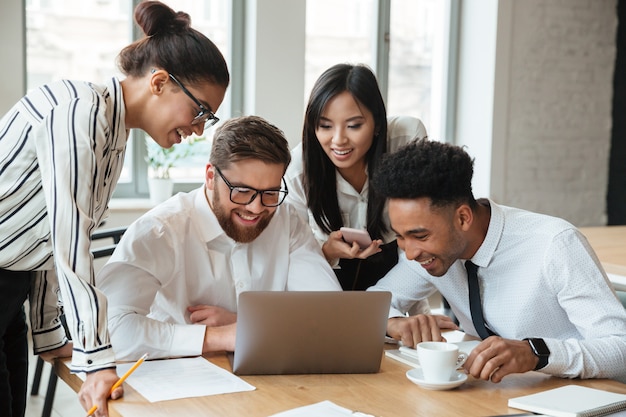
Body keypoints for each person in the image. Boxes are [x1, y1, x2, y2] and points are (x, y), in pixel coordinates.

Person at [0, 1, 229, 416]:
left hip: (11, 287)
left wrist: (52, 333)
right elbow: (68, 240)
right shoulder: (81, 111)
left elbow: (48, 239)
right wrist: (96, 358)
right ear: (160, 82)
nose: (198, 129)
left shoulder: (112, 133)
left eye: (207, 119)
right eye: (201, 111)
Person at [368, 140, 626, 382]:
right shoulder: (427, 253)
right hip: (493, 396)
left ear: (463, 218)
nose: (410, 253)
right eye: (400, 237)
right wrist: (394, 323)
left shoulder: (554, 244)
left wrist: (536, 353)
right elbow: (374, 302)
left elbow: (621, 347)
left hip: (572, 397)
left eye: (420, 236)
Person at [96, 115, 342, 361]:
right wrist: (218, 336)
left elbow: (330, 314)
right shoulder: (160, 231)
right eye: (242, 191)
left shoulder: (286, 220)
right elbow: (105, 331)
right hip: (179, 379)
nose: (256, 208)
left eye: (270, 193)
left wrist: (244, 323)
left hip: (269, 378)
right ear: (211, 177)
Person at [285, 63, 428, 295]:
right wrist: (328, 251)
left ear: (378, 123)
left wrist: (409, 310)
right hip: (326, 283)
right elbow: (294, 265)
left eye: (353, 125)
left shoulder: (406, 140)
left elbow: (424, 228)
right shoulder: (298, 170)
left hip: (400, 273)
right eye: (325, 126)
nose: (338, 140)